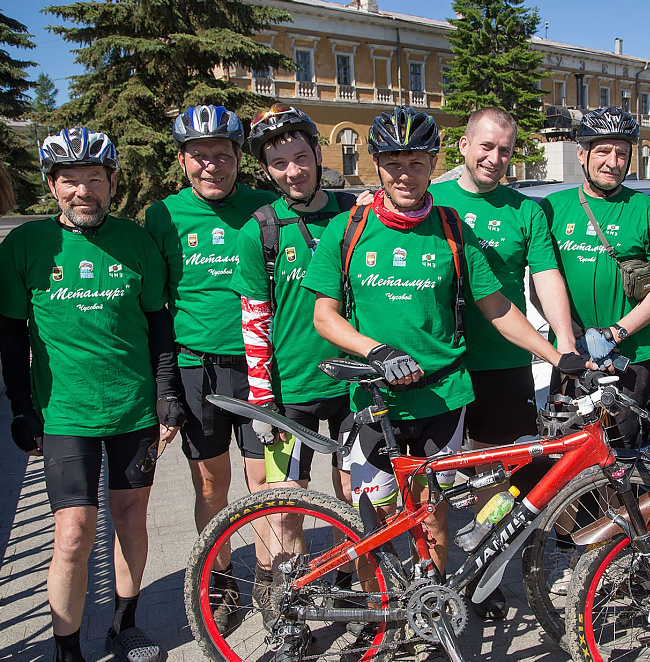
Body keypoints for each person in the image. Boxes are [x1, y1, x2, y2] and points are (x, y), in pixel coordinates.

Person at [302, 105, 588, 584]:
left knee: (432, 514)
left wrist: (560, 355)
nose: (405, 174)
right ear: (377, 162)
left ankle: (428, 612)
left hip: (442, 396)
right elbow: (324, 317)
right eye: (394, 162)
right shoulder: (347, 228)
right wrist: (377, 351)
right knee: (375, 516)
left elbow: (496, 307)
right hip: (376, 397)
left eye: (416, 163)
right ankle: (381, 617)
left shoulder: (453, 228)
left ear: (433, 163)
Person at [0, 128, 184, 662]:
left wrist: (167, 393)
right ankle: (66, 646)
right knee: (74, 533)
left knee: (130, 518)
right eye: (70, 180)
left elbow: (158, 325)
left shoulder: (135, 240)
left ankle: (125, 624)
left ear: (112, 184)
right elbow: (10, 336)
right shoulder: (26, 245)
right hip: (64, 415)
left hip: (132, 408)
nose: (83, 191)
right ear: (52, 185)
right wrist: (19, 408)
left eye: (95, 180)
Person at [429, 106, 575, 618]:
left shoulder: (524, 210)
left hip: (505, 362)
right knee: (440, 477)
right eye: (486, 147)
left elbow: (547, 276)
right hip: (443, 364)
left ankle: (480, 580)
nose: (494, 158)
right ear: (464, 146)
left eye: (505, 150)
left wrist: (566, 343)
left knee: (495, 477)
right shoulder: (433, 199)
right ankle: (438, 582)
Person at [144, 105, 277, 632]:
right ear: (182, 161)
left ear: (238, 158)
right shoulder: (163, 215)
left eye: (222, 155)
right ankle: (220, 578)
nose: (212, 166)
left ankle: (272, 580)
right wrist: (162, 387)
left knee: (265, 481)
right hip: (196, 366)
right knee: (209, 485)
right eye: (200, 157)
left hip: (259, 363)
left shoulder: (264, 204)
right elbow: (153, 306)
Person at [539, 106, 650, 597]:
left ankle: (620, 557)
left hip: (628, 360)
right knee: (570, 461)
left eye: (622, 153)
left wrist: (615, 334)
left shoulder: (646, 211)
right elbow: (541, 278)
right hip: (573, 361)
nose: (613, 161)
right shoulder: (553, 208)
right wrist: (570, 339)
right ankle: (565, 552)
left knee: (627, 462)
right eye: (603, 152)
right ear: (583, 154)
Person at [232, 103, 358, 625]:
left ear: (317, 153)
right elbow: (253, 322)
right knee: (287, 502)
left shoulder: (356, 212)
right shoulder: (259, 229)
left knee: (359, 493)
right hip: (292, 392)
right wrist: (262, 402)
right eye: (279, 163)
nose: (293, 171)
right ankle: (291, 608)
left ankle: (355, 591)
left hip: (357, 386)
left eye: (301, 157)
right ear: (266, 169)